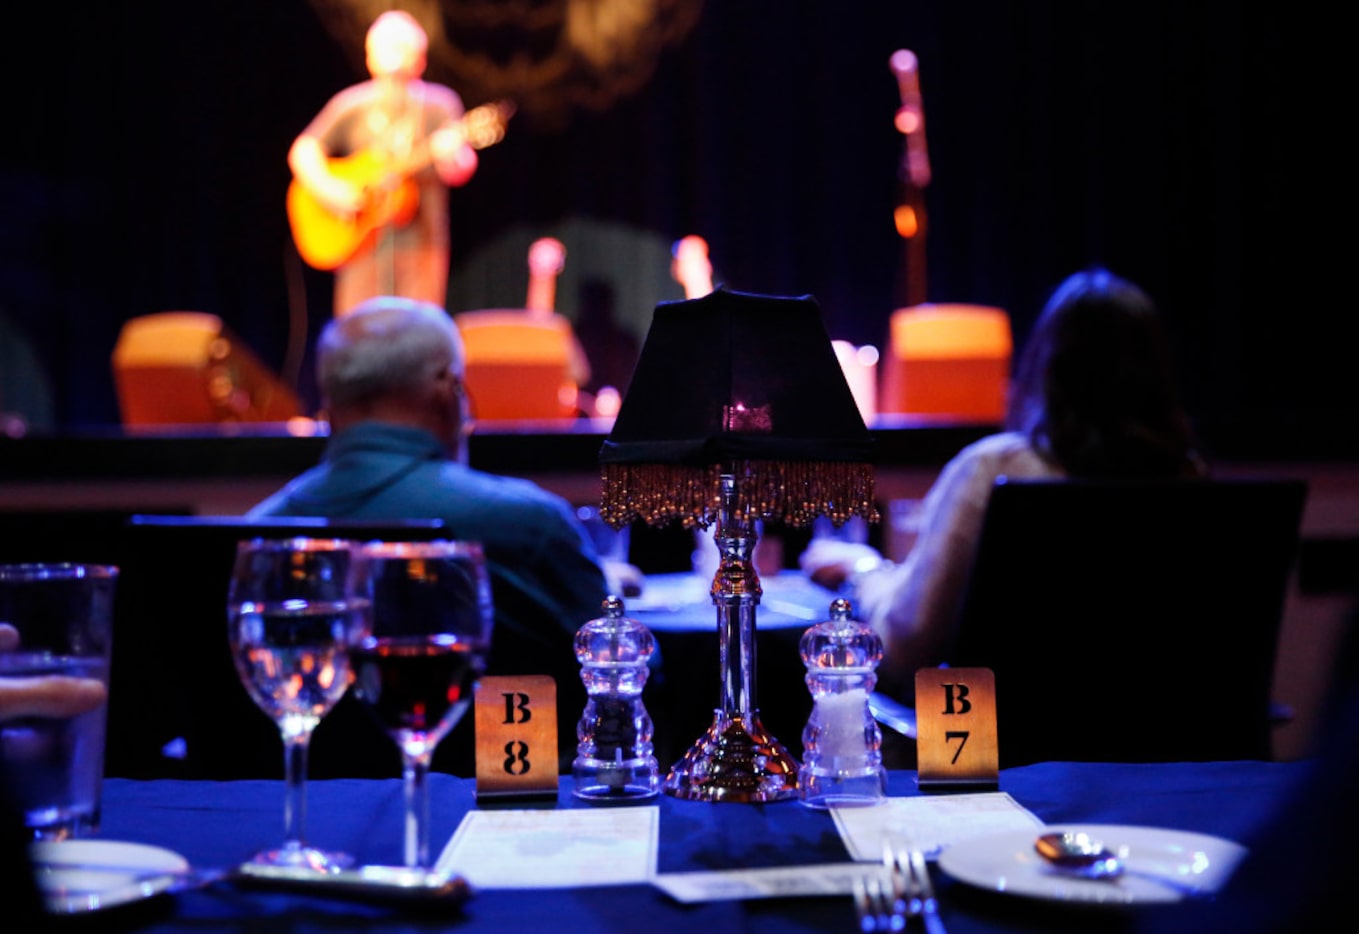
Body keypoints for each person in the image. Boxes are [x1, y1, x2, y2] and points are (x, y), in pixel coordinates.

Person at [247, 296, 610, 765]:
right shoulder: (530, 523)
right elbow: (623, 673)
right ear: (448, 389)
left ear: (328, 402)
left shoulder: (253, 539)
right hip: (495, 810)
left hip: (295, 815)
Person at [803, 268, 1203, 691]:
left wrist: (863, 569)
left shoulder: (996, 469)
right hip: (1172, 750)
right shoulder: (1190, 478)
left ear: (1047, 369)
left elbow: (907, 644)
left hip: (1010, 750)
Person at [288, 10, 479, 316]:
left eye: (402, 48)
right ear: (369, 57)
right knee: (359, 333)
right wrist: (330, 189)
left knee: (417, 336)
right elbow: (303, 150)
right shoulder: (350, 104)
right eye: (385, 48)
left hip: (422, 244)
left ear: (421, 58)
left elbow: (461, 168)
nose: (394, 58)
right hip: (362, 245)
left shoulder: (439, 104)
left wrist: (450, 156)